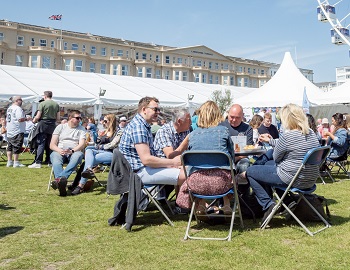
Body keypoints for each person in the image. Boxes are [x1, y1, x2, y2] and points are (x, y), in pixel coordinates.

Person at [244, 103, 320, 224]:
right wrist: (271, 141)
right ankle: (287, 201)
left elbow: (276, 157)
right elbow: (290, 146)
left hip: (291, 178)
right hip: (309, 179)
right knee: (267, 166)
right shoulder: (311, 133)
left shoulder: (288, 136)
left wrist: (273, 144)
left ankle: (268, 204)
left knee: (251, 171)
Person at [176, 101, 234, 215]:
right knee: (229, 172)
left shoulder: (192, 135)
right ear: (217, 115)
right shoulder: (224, 132)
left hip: (196, 184)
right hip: (221, 183)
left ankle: (201, 206)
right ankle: (226, 204)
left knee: (199, 170)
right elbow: (231, 158)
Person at [118, 96, 185, 187]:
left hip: (143, 169)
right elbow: (146, 160)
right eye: (155, 109)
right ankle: (191, 201)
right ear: (144, 109)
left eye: (159, 109)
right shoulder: (139, 127)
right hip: (139, 173)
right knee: (187, 176)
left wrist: (170, 165)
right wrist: (173, 162)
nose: (158, 112)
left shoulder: (142, 125)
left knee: (186, 171)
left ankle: (186, 201)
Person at [71, 114, 121, 195]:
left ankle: (78, 185)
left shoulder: (119, 132)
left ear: (111, 121)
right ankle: (82, 182)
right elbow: (96, 143)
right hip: (101, 152)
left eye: (105, 121)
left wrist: (100, 146)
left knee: (87, 161)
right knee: (88, 149)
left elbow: (113, 144)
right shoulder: (104, 131)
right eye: (103, 121)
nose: (103, 123)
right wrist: (98, 137)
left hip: (113, 154)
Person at [49, 110, 86, 196]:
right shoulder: (60, 127)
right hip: (60, 150)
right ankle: (61, 182)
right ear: (70, 117)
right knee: (55, 156)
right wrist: (59, 150)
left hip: (74, 151)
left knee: (78, 155)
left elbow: (82, 144)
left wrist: (72, 150)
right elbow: (52, 144)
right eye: (77, 118)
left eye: (80, 118)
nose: (79, 120)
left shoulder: (81, 129)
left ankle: (59, 180)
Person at [220, 104, 253, 173]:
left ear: (242, 116)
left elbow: (248, 149)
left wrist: (235, 159)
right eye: (232, 117)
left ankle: (242, 183)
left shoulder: (248, 129)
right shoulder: (220, 126)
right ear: (228, 114)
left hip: (241, 158)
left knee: (244, 166)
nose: (234, 120)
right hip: (223, 158)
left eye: (237, 117)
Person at [29, 91, 60, 168]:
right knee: (51, 144)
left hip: (43, 124)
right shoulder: (56, 104)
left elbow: (38, 116)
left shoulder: (42, 104)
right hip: (52, 125)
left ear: (45, 96)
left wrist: (33, 121)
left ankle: (38, 162)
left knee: (41, 144)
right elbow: (58, 118)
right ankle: (50, 161)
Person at [5, 96, 26, 167]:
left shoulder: (9, 108)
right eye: (21, 100)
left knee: (10, 146)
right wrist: (27, 118)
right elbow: (20, 119)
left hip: (10, 129)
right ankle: (16, 162)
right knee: (17, 146)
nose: (22, 101)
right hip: (17, 129)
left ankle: (9, 161)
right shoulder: (18, 108)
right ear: (17, 100)